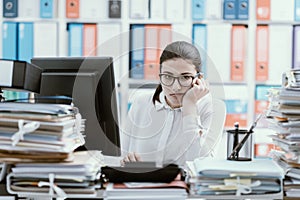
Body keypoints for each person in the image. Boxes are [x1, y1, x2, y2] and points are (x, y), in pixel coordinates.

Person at [121, 41, 213, 166]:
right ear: (160, 76)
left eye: (185, 77)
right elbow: (121, 155)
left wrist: (189, 106)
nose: (175, 87)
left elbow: (200, 164)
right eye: (168, 76)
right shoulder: (141, 102)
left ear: (199, 79)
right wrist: (127, 162)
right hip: (141, 183)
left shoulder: (208, 108)